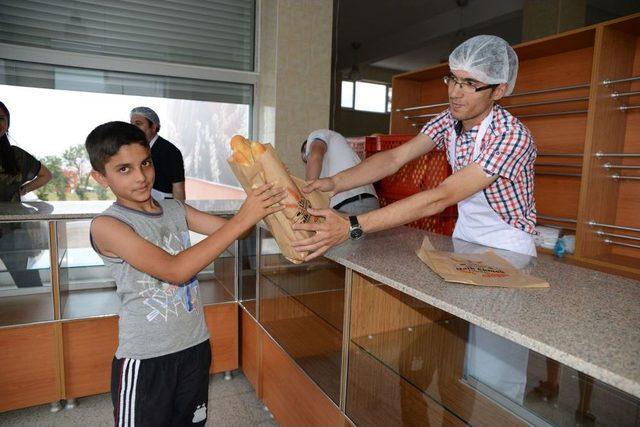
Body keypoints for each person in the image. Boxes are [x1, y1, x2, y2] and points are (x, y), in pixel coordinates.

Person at [292, 35, 536, 404]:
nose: (456, 92)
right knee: (457, 347)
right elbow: (393, 159)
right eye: (453, 79)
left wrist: (353, 226)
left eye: (471, 84)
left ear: (499, 90)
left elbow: (441, 197)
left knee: (496, 363)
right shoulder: (450, 120)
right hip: (467, 239)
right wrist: (332, 181)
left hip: (507, 248)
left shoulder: (511, 137)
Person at [86, 121, 285, 426]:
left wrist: (259, 197)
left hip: (194, 347)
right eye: (124, 169)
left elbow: (235, 233)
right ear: (101, 177)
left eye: (145, 164)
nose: (141, 177)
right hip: (146, 358)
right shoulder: (108, 225)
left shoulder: (174, 209)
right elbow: (175, 271)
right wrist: (243, 217)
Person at [0, 101, 52, 288]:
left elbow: (46, 174)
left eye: (2, 119)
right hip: (11, 230)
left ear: (7, 124)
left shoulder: (16, 155)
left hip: (12, 230)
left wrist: (24, 189)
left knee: (28, 283)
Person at [301, 129, 379, 215]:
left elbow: (315, 157)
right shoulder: (334, 155)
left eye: (307, 158)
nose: (308, 163)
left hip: (351, 203)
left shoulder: (317, 135)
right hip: (367, 201)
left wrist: (307, 196)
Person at [130, 106, 186, 200]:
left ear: (153, 127)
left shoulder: (170, 151)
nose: (133, 128)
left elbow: (178, 188)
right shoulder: (136, 149)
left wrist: (178, 213)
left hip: (165, 207)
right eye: (132, 124)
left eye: (138, 124)